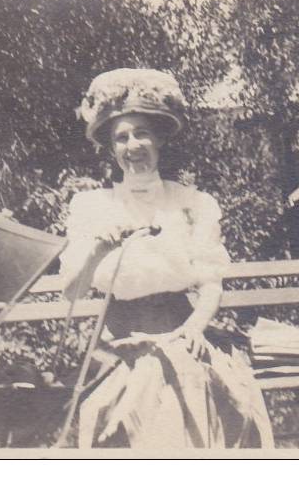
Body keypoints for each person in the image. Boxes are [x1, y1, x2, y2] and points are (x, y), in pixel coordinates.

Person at [58, 68, 274, 449]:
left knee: (194, 388)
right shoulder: (92, 207)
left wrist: (193, 328)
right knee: (133, 395)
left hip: (181, 331)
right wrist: (98, 249)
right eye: (122, 137)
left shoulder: (190, 204)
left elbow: (210, 283)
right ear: (111, 149)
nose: (133, 145)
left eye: (142, 133)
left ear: (159, 140)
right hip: (118, 342)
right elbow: (71, 291)